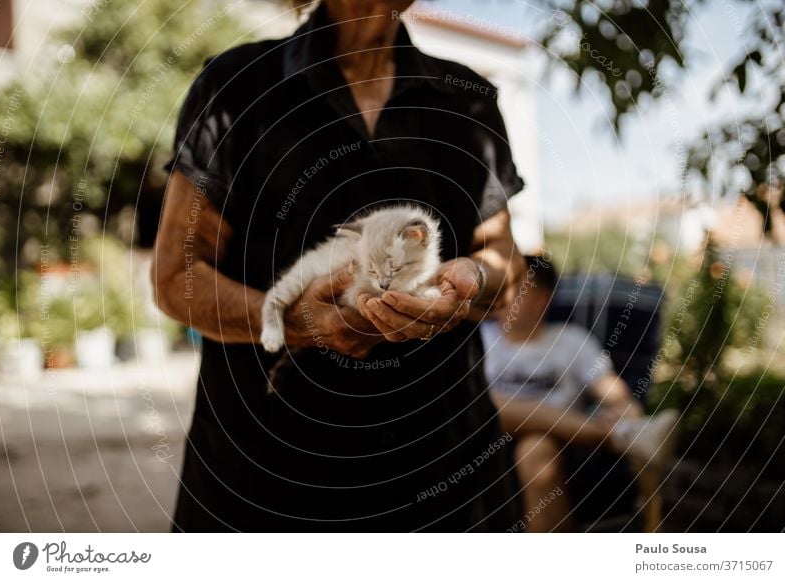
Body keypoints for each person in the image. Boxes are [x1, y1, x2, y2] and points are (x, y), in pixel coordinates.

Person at [152, 0, 527, 531]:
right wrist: (293, 321)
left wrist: (471, 282)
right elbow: (174, 278)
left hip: (442, 472)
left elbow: (502, 263)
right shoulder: (237, 88)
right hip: (266, 473)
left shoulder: (466, 101)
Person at [481, 255, 678, 532]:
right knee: (490, 405)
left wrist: (626, 408)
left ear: (542, 300)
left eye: (515, 289)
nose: (501, 297)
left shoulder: (570, 340)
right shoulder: (479, 339)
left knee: (535, 448)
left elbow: (609, 387)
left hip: (559, 444)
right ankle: (621, 436)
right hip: (488, 435)